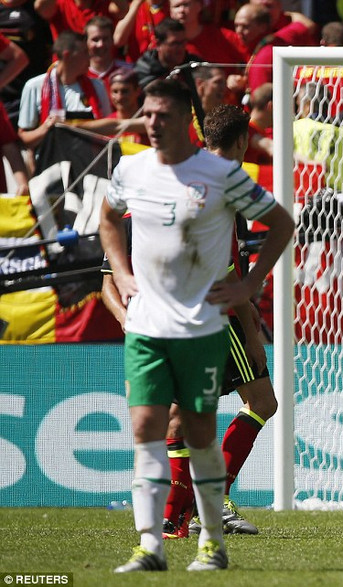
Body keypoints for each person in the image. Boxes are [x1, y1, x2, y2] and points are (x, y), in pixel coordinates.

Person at [100, 77, 293, 572]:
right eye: (147, 114)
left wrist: (248, 289)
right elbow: (106, 226)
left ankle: (204, 532)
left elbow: (279, 225)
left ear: (186, 119)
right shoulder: (131, 169)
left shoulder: (220, 178)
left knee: (195, 427)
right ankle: (156, 539)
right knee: (152, 427)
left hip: (203, 321)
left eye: (162, 114)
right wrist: (122, 277)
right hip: (150, 325)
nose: (152, 123)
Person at [18, 30, 111, 150]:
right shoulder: (34, 86)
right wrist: (46, 127)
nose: (90, 56)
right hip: (51, 158)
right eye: (84, 52)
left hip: (91, 158)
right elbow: (24, 139)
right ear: (67, 55)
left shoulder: (97, 86)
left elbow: (108, 128)